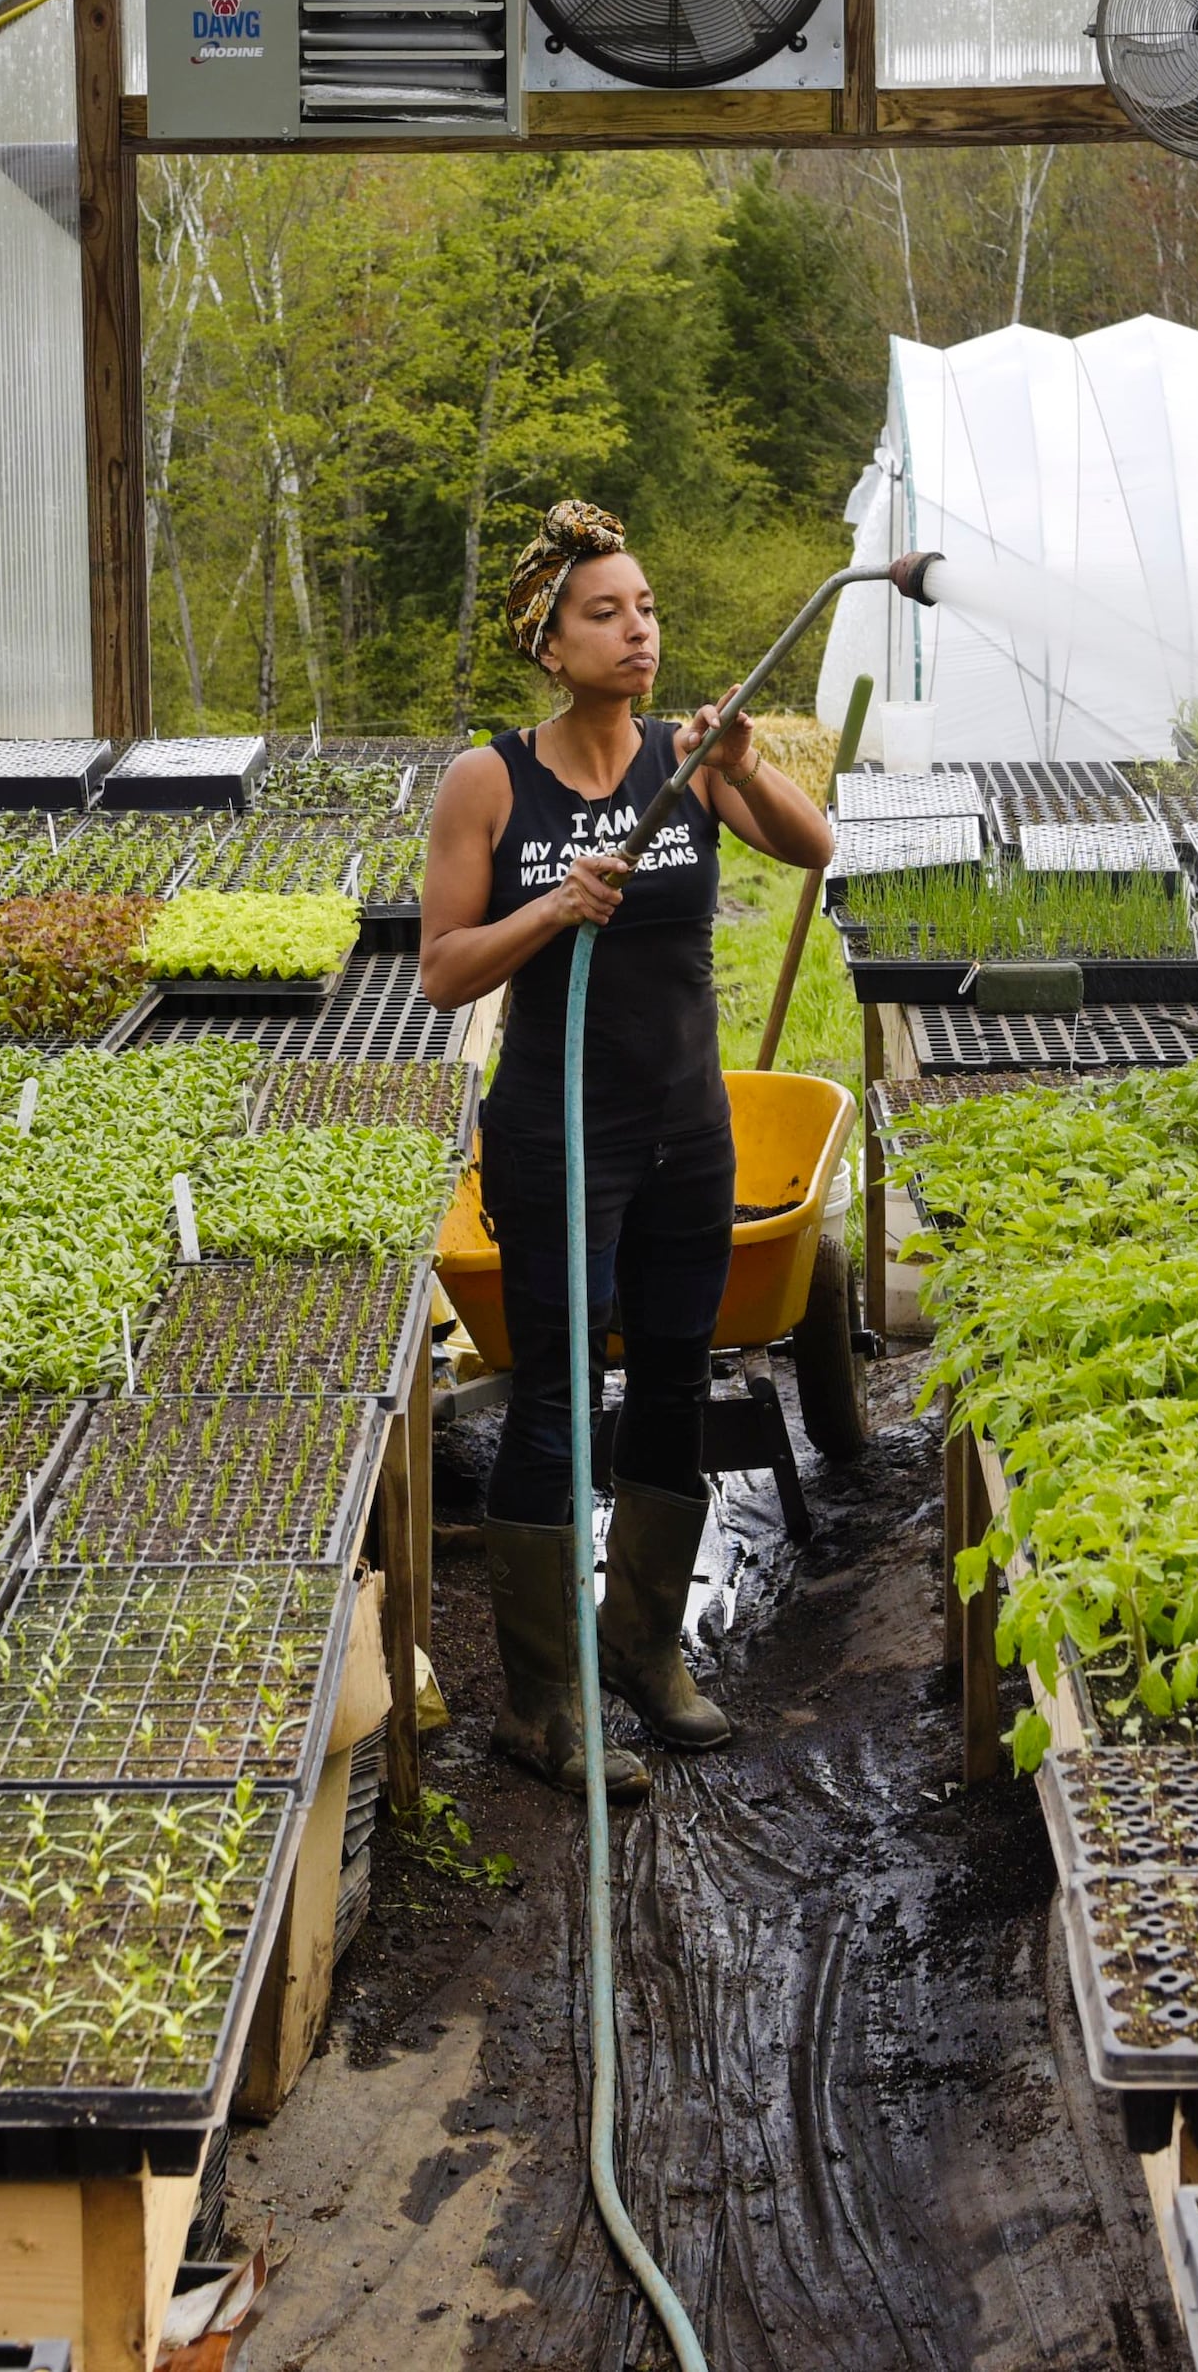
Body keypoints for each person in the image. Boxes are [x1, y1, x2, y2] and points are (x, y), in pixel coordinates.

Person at [417, 500, 838, 1801]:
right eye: (605, 611)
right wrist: (554, 905)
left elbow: (815, 849)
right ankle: (540, 1706)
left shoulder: (686, 756)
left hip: (683, 1128)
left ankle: (645, 1650)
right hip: (556, 1127)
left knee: (670, 1377)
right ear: (548, 641)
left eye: (646, 606)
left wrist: (747, 761)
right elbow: (440, 972)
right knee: (554, 1397)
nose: (637, 629)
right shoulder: (492, 782)